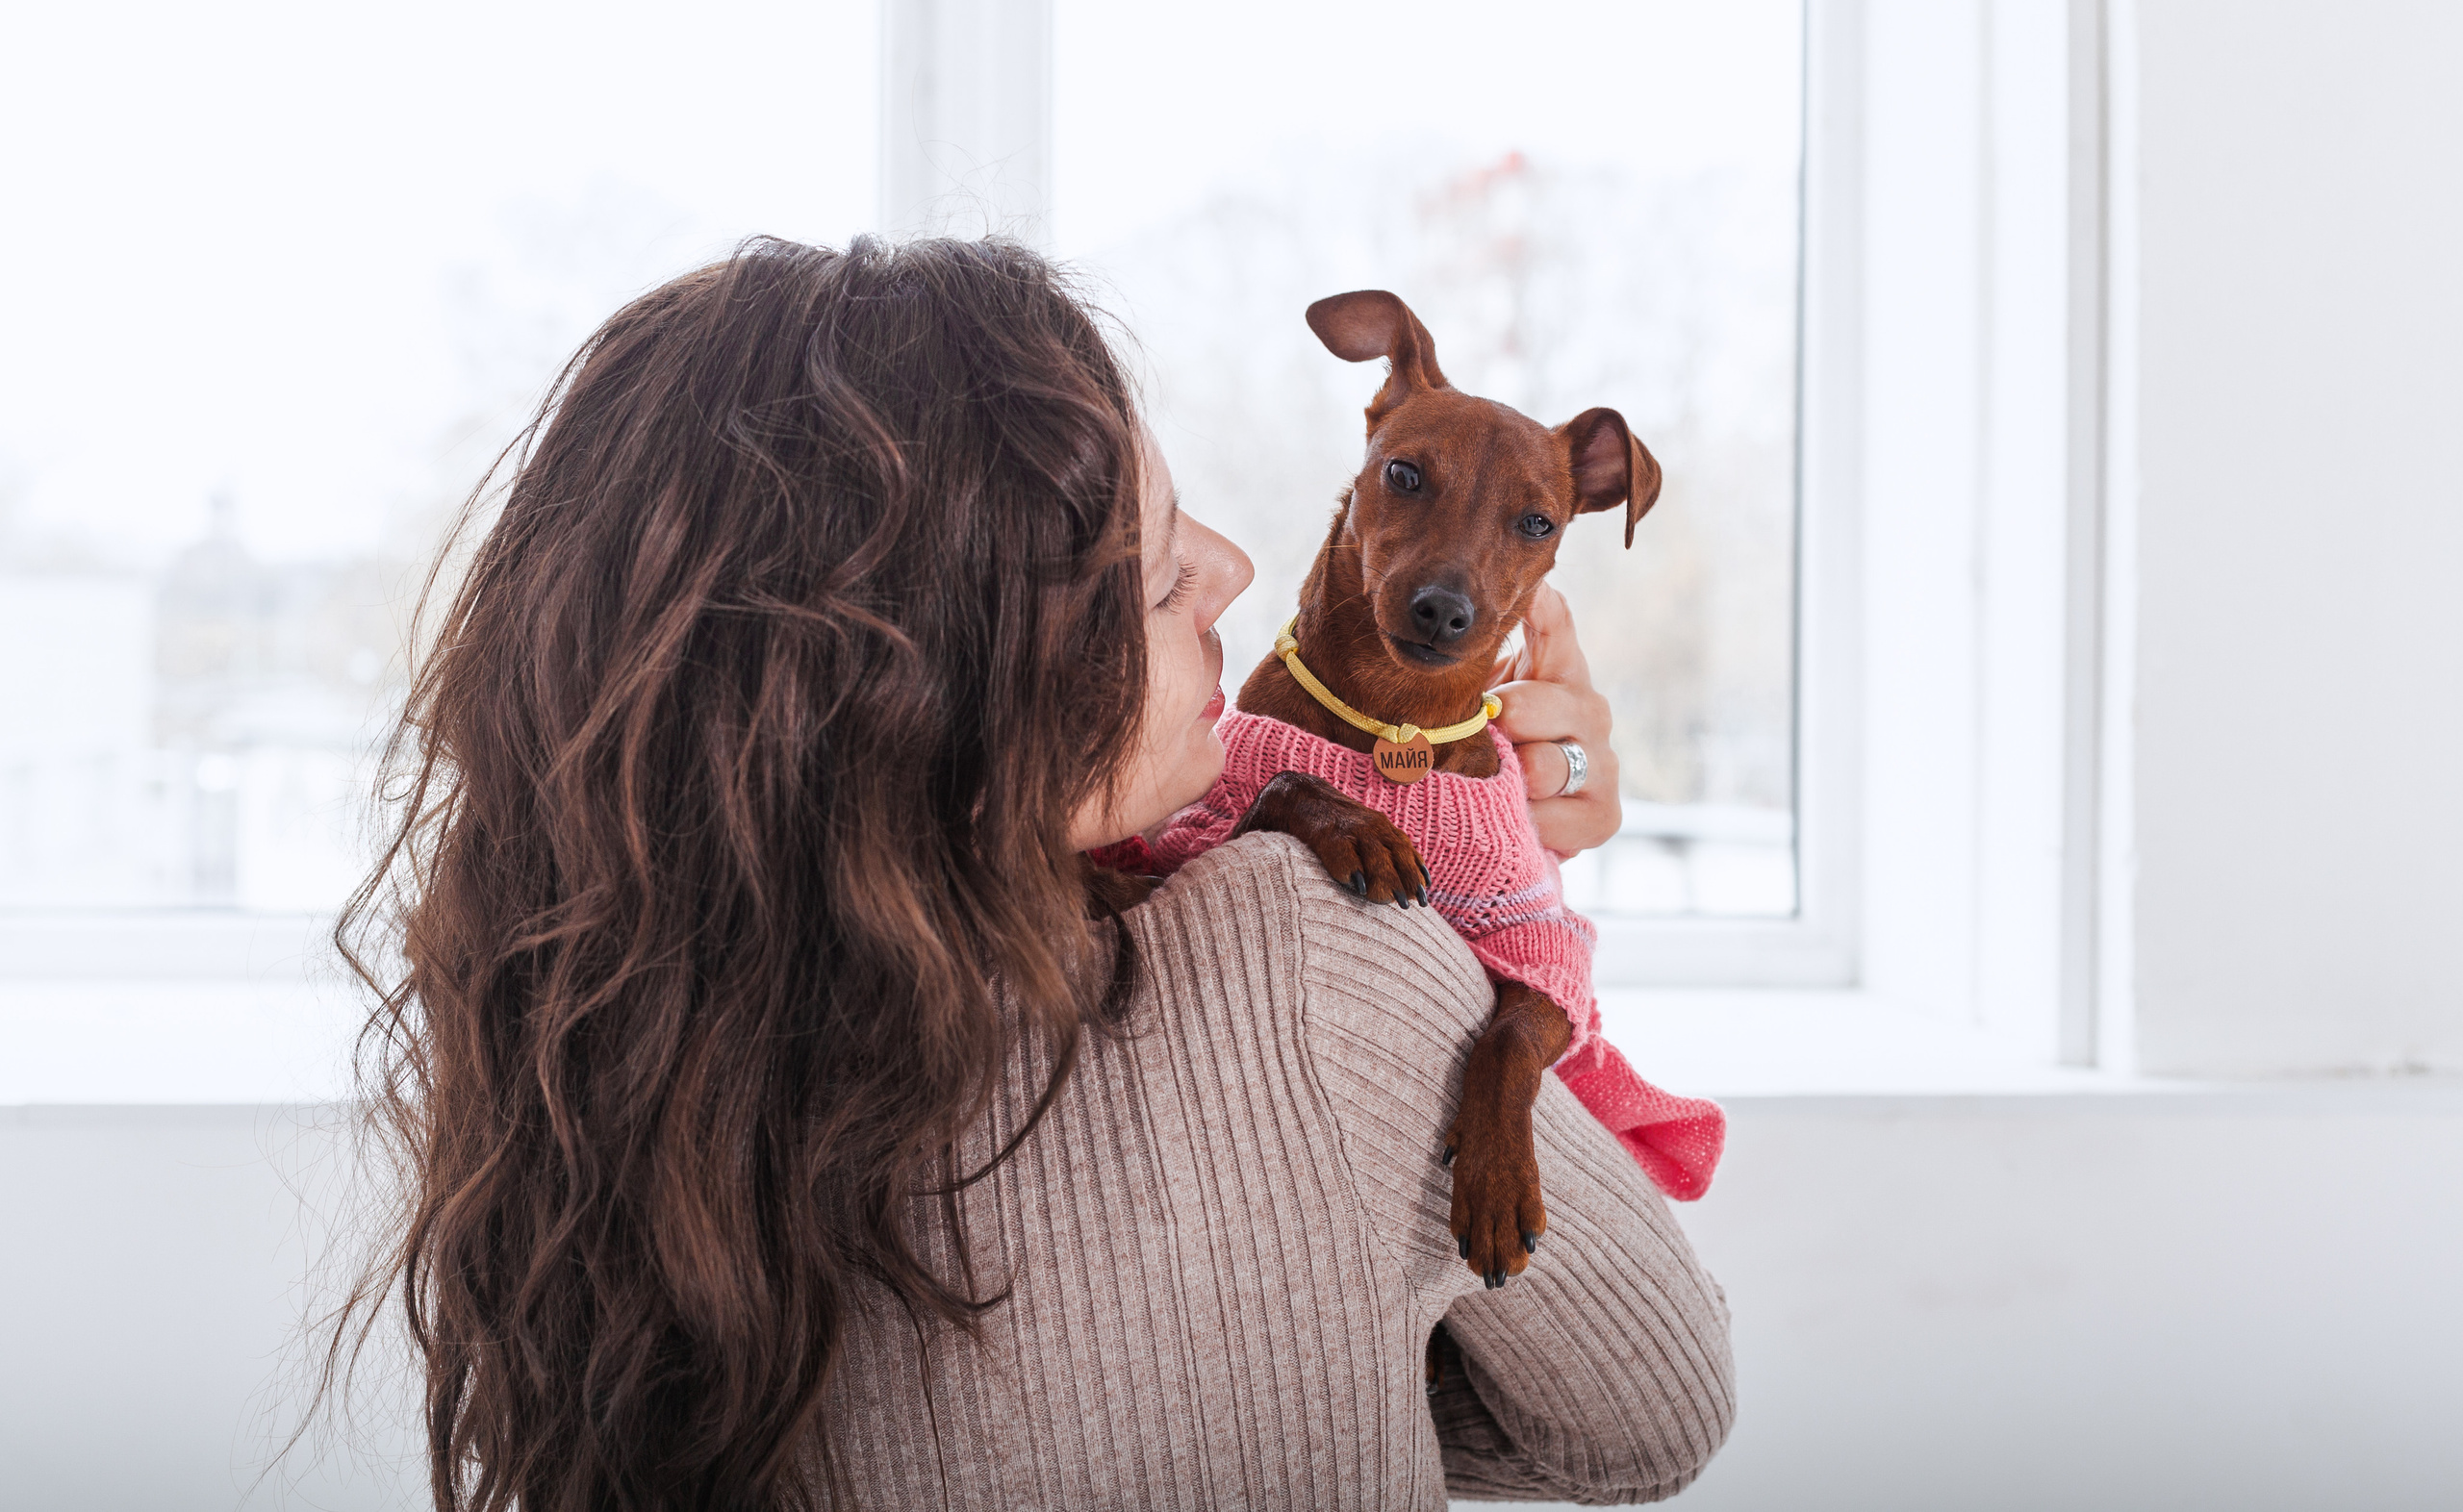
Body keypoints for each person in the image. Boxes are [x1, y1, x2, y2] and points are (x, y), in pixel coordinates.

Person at [336, 236, 1734, 1511]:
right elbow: (1646, 1421)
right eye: (1148, 564)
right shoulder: (1310, 954)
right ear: (934, 681)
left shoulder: (596, 1052)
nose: (1236, 568)